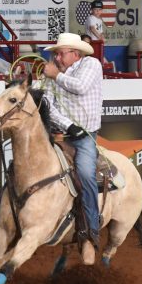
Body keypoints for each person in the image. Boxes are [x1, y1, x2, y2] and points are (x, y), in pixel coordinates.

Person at [42, 32, 103, 263]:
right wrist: (68, 125)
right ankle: (2, 217)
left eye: (60, 53)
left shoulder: (91, 64)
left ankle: (90, 233)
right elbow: (48, 103)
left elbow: (80, 87)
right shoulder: (53, 72)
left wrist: (56, 75)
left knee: (86, 174)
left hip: (85, 136)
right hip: (62, 133)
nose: (56, 57)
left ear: (75, 54)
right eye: (56, 54)